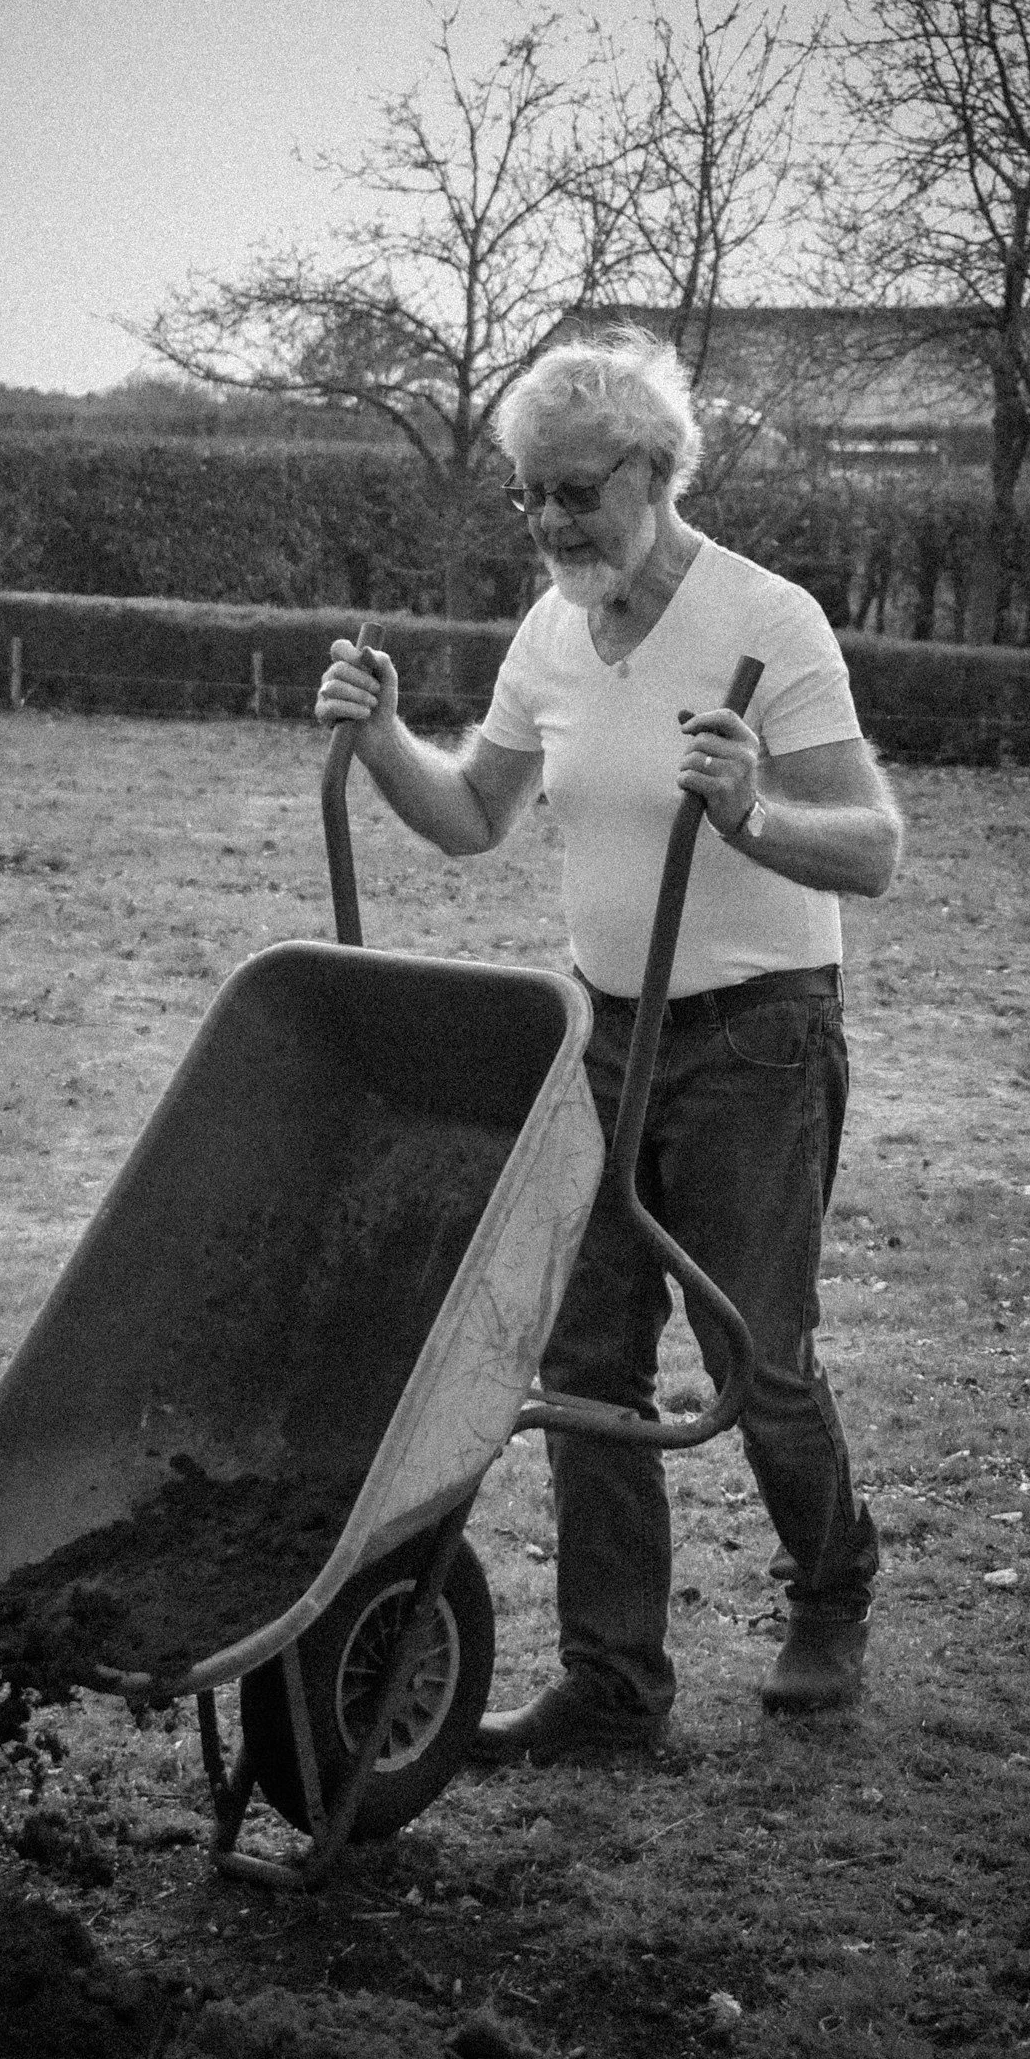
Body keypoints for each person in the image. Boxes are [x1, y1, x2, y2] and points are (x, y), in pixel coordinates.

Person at [314, 331, 903, 1760]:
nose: (552, 522)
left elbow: (875, 848)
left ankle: (832, 1590)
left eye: (576, 492)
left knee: (756, 1358)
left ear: (655, 471)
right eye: (531, 496)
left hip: (757, 1037)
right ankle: (615, 1685)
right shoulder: (551, 634)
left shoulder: (773, 623)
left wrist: (757, 812)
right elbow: (471, 815)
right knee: (584, 1367)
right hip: (599, 1035)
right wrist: (388, 739)